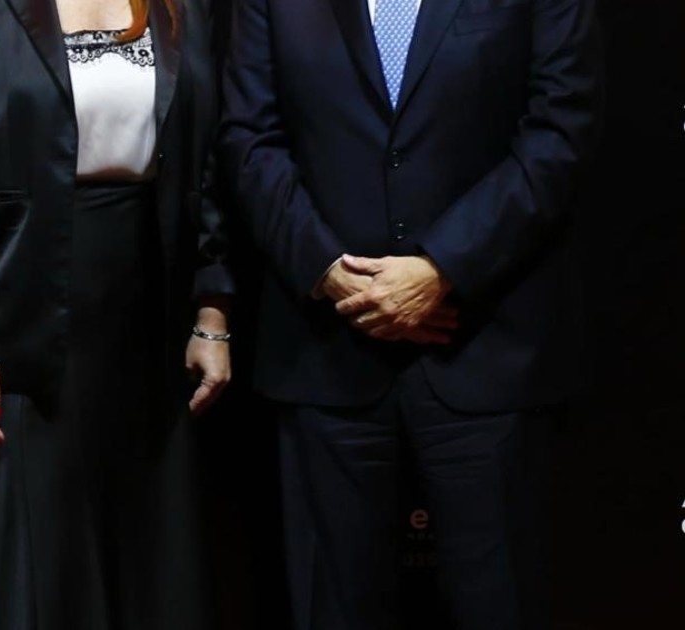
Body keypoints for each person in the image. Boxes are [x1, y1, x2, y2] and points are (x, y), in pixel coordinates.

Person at [220, 0, 601, 628]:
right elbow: (249, 137)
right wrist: (328, 270)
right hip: (327, 351)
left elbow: (560, 129)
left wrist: (443, 267)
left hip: (485, 347)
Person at [0, 0, 234, 627]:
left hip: (150, 323)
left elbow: (207, 162)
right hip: (14, 317)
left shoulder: (183, 7)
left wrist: (212, 310)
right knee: (40, 564)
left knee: (146, 561)